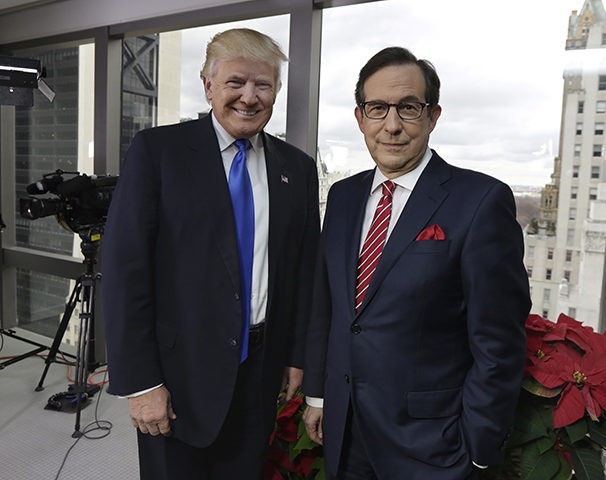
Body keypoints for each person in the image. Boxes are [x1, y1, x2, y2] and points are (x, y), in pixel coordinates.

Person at [302, 46, 531, 480]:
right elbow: (329, 308)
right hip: (346, 433)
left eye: (408, 108)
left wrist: (477, 447)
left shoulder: (480, 202)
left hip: (434, 447)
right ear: (359, 118)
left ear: (432, 116)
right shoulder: (343, 197)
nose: (391, 126)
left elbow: (498, 341)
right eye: (377, 109)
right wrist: (320, 396)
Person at [101, 28, 320, 480]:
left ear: (275, 91)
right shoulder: (158, 152)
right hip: (176, 375)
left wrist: (295, 356)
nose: (249, 97)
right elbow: (126, 272)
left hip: (261, 370)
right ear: (208, 85)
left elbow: (302, 272)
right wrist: (141, 383)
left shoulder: (296, 168)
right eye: (236, 82)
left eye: (263, 85)